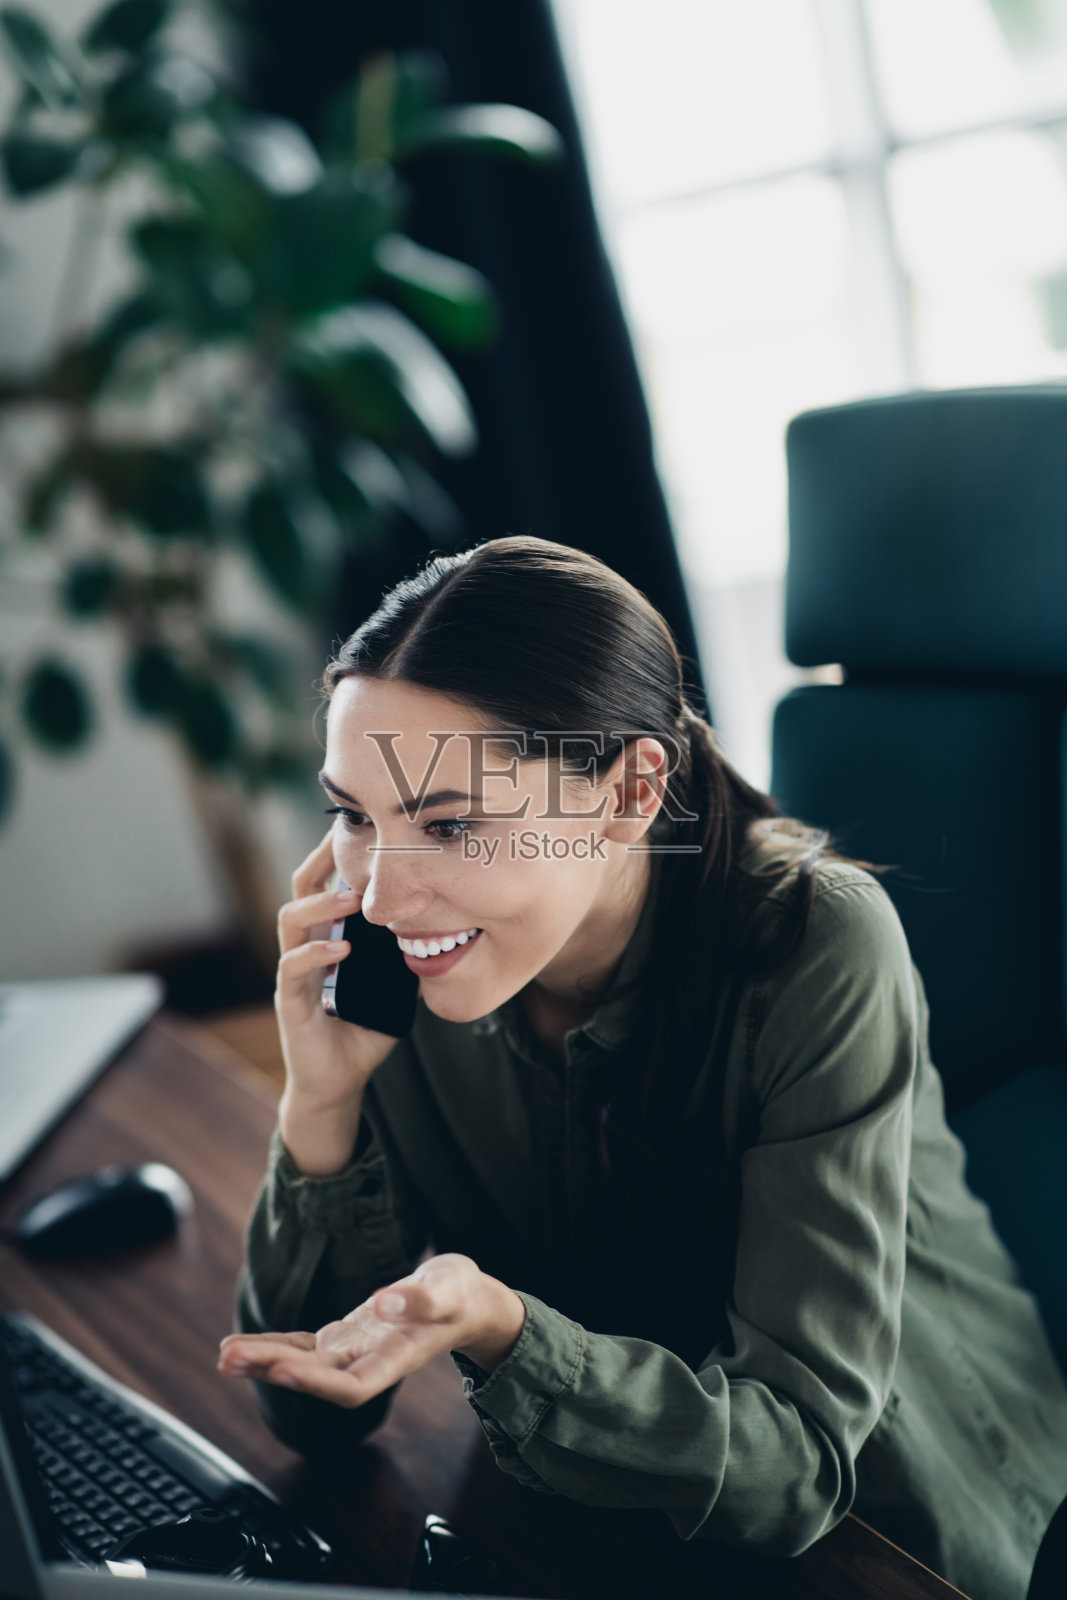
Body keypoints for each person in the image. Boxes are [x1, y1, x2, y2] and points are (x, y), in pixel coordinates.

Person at [218, 535, 1067, 1600]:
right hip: (600, 1509)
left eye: (450, 823)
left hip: (891, 1531)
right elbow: (307, 1414)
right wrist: (322, 1096)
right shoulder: (396, 962)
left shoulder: (814, 945)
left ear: (626, 794)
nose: (380, 896)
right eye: (352, 815)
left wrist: (503, 1333)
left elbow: (799, 1468)